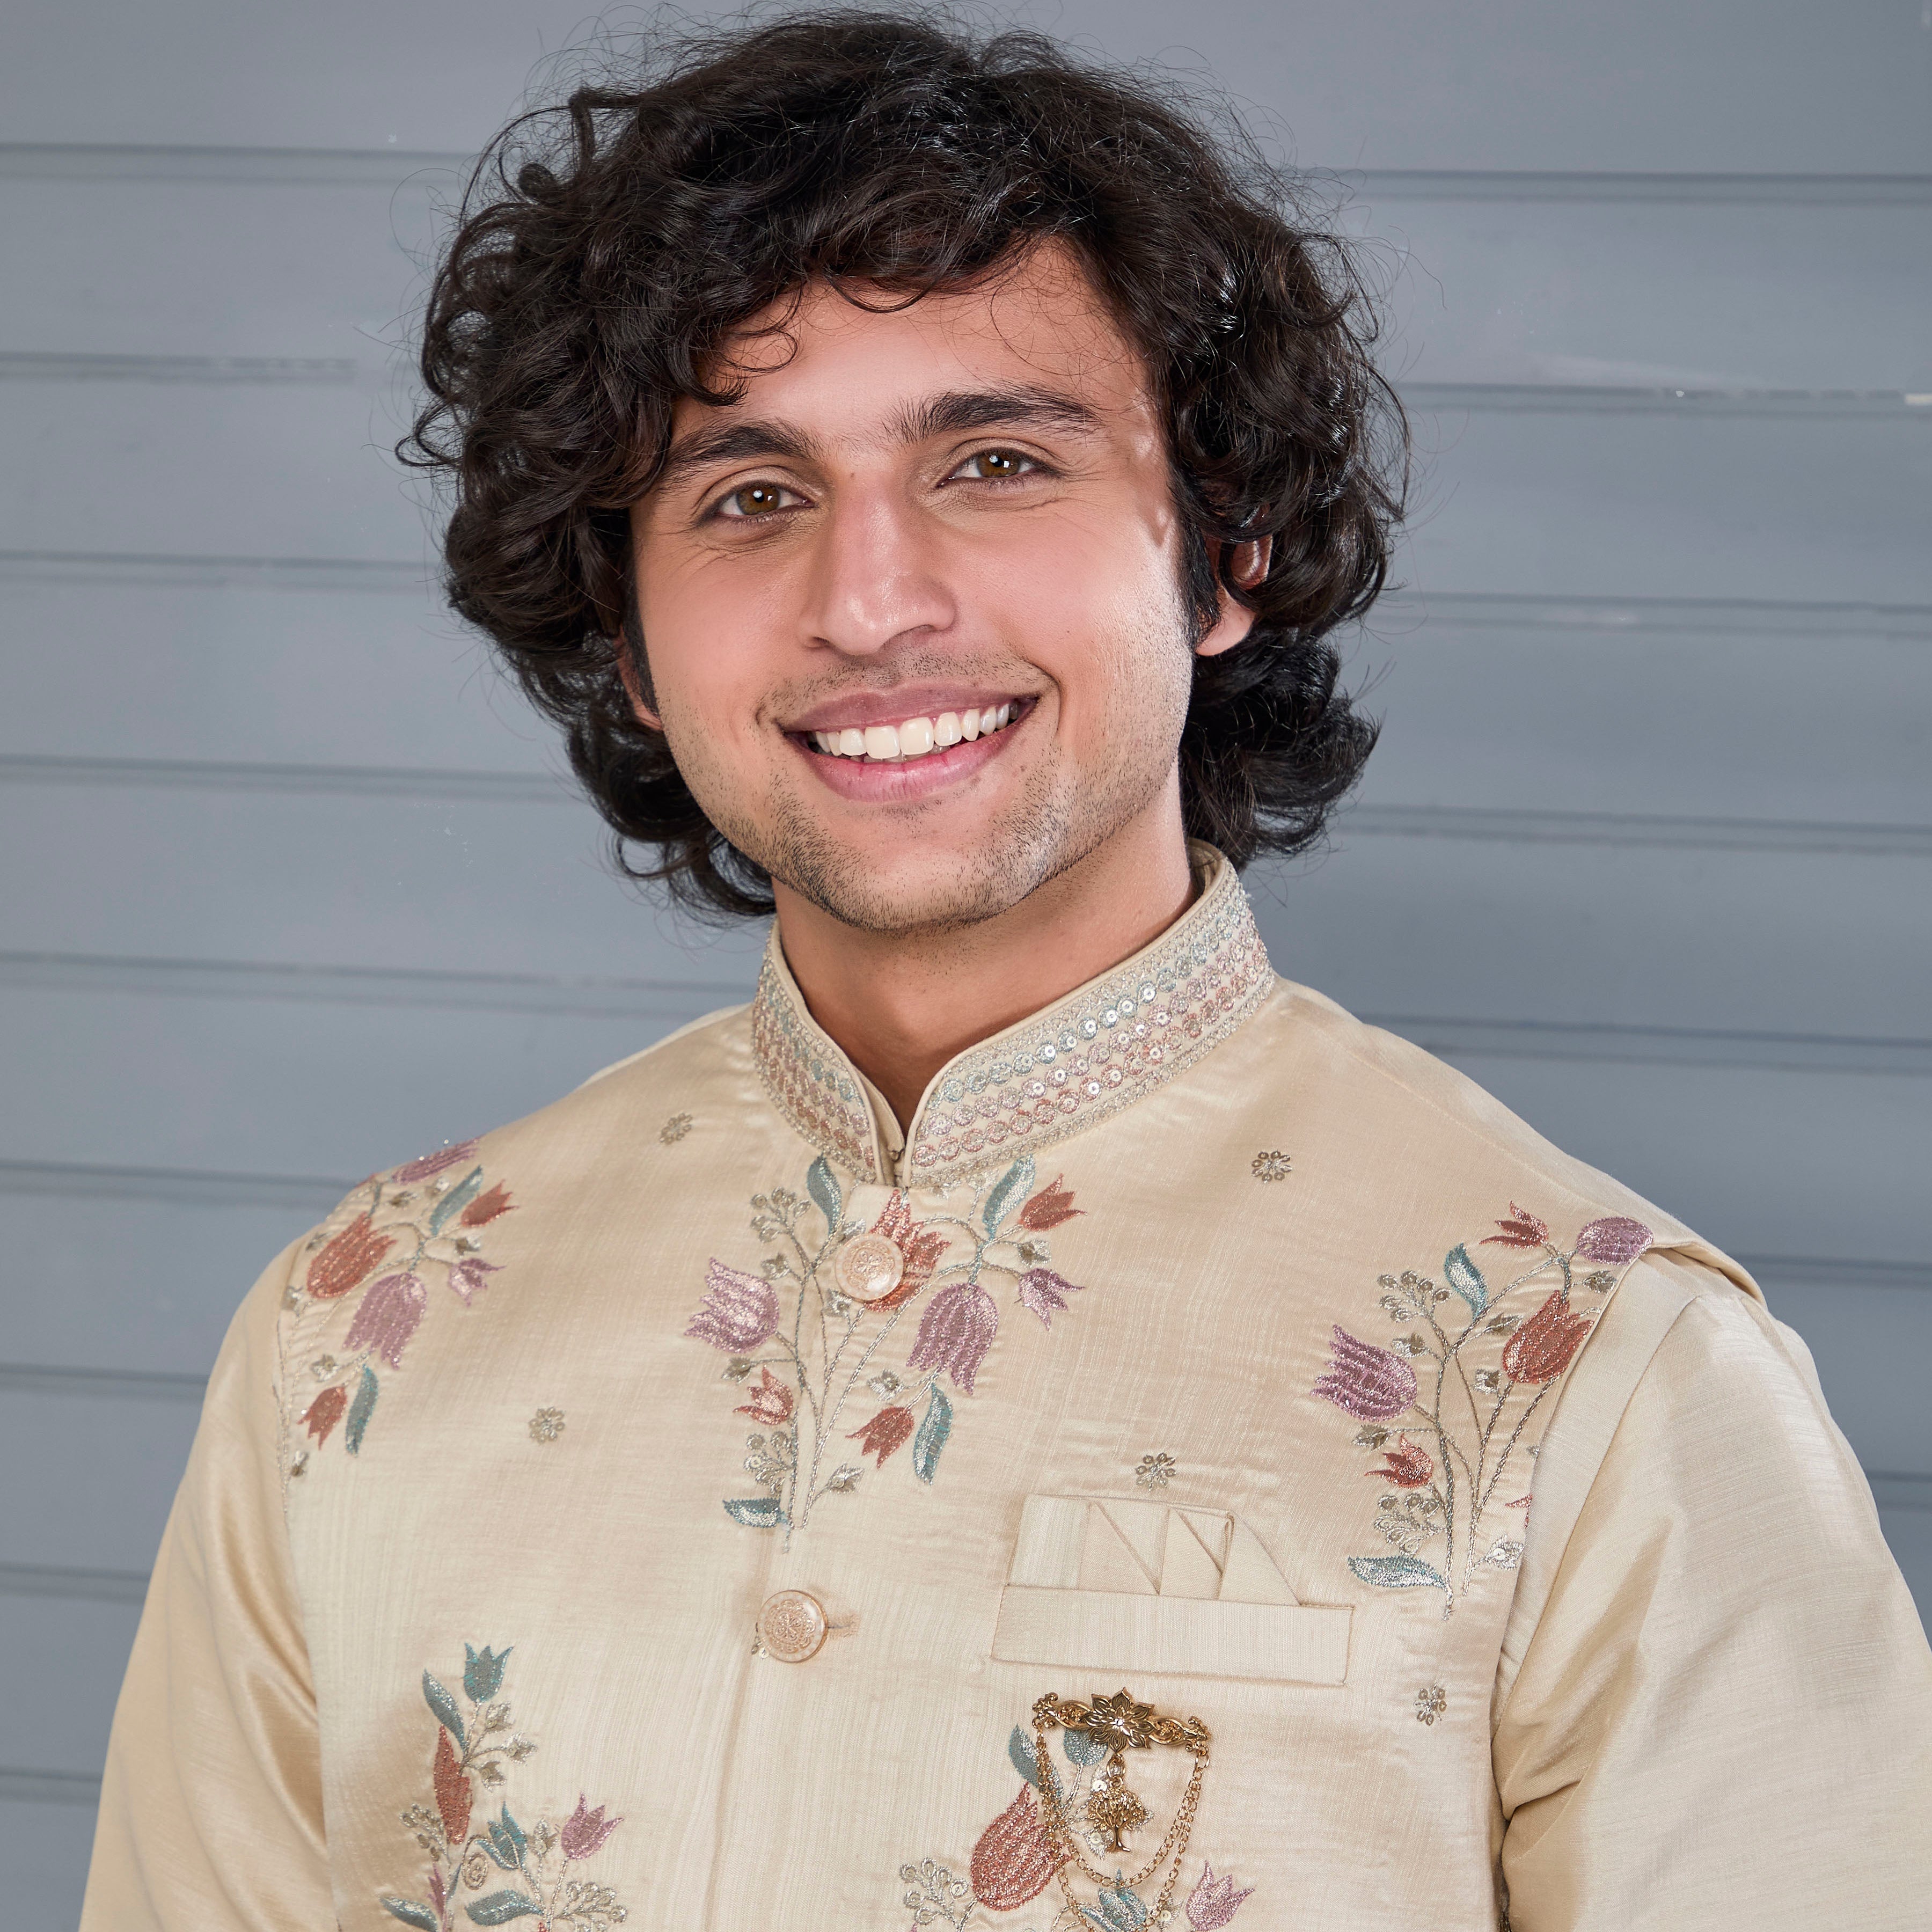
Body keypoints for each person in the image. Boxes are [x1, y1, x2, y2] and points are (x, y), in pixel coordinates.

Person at [80, 13, 1930, 1931]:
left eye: (994, 461)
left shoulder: (1603, 1374)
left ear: (1224, 552)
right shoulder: (354, 1338)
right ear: (628, 638)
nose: (870, 601)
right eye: (748, 494)